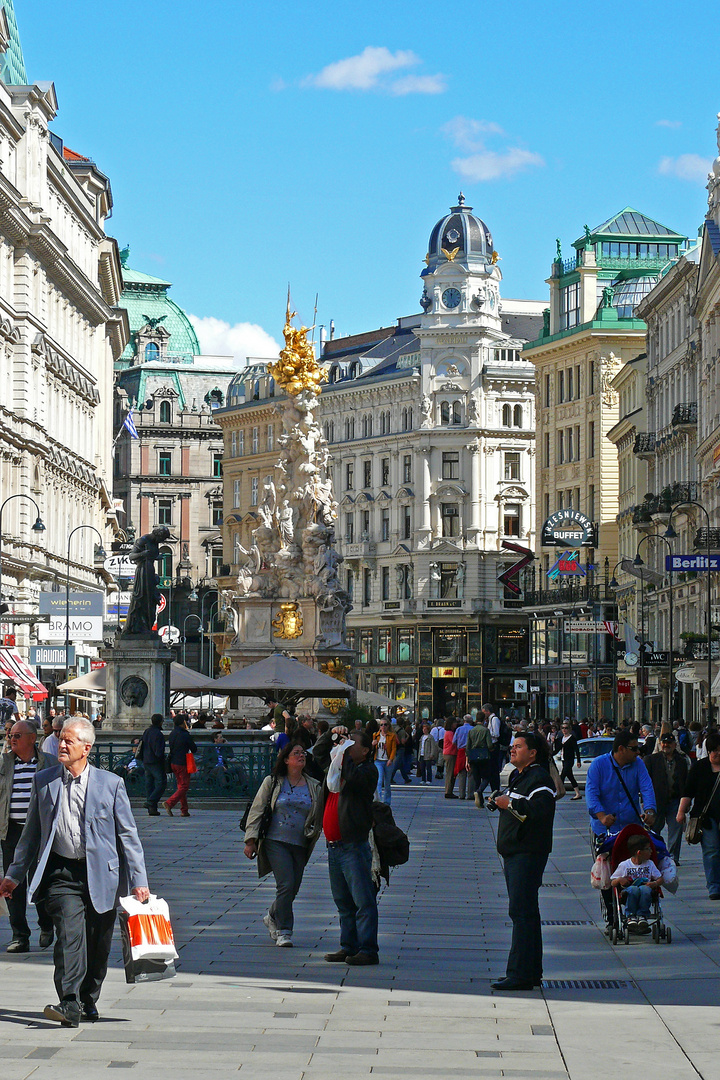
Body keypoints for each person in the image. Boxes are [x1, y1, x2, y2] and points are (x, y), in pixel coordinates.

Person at [0, 718, 149, 1027]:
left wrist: (139, 881)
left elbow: (128, 836)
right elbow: (31, 834)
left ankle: (88, 998)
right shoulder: (45, 781)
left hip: (101, 875)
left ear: (87, 748)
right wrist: (14, 875)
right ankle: (69, 1001)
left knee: (98, 944)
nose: (62, 745)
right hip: (61, 873)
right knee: (69, 936)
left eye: (69, 741)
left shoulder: (111, 784)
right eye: (60, 740)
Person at [490, 732, 555, 991]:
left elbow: (540, 812)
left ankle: (519, 973)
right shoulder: (522, 776)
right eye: (512, 746)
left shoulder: (539, 778)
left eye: (518, 746)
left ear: (533, 752)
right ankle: (530, 971)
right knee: (526, 912)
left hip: (526, 853)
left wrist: (509, 805)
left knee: (521, 912)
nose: (512, 750)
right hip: (517, 852)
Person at [243, 742, 322, 947]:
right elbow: (257, 809)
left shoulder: (313, 785)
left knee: (292, 888)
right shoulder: (273, 782)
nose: (301, 756)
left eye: (303, 753)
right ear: (286, 759)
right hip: (275, 840)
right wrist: (250, 841)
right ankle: (284, 931)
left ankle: (271, 914)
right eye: (296, 753)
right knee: (285, 884)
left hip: (301, 843)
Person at [315, 728, 380, 966]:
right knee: (343, 901)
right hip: (334, 846)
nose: (345, 747)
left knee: (363, 900)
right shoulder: (335, 768)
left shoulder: (367, 771)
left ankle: (368, 949)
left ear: (365, 750)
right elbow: (319, 754)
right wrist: (330, 735)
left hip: (353, 845)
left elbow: (351, 778)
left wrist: (343, 753)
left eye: (352, 745)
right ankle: (348, 946)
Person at [585, 728, 657, 928]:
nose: (637, 753)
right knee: (607, 872)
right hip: (604, 828)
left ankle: (637, 907)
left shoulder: (638, 765)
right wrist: (601, 815)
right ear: (621, 749)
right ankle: (611, 913)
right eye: (634, 749)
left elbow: (647, 788)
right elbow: (591, 794)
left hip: (630, 826)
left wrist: (650, 811)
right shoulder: (599, 765)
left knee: (636, 865)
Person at [0, 720, 58, 953]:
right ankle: (19, 935)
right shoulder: (4, 764)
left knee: (41, 882)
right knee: (12, 885)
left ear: (33, 739)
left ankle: (46, 924)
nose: (11, 739)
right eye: (10, 735)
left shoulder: (49, 763)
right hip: (12, 831)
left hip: (40, 832)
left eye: (17, 735)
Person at [677, 730, 720, 899]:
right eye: (714, 749)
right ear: (708, 751)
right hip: (706, 818)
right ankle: (714, 886)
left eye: (719, 749)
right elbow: (688, 792)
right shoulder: (699, 768)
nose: (717, 753)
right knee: (712, 851)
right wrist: (681, 813)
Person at [645, 732, 688, 864]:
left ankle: (673, 857)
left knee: (676, 830)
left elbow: (685, 783)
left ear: (674, 745)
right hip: (657, 801)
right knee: (654, 830)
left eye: (669, 743)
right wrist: (646, 803)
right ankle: (653, 854)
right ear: (660, 744)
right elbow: (645, 782)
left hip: (675, 801)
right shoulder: (651, 759)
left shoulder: (682, 761)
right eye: (664, 743)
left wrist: (686, 804)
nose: (666, 745)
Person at [610, 833, 663, 933]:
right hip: (629, 890)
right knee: (634, 889)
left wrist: (655, 883)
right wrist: (620, 879)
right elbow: (613, 882)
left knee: (645, 889)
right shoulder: (625, 865)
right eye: (648, 849)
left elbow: (660, 878)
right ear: (639, 852)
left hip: (645, 890)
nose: (651, 851)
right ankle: (631, 915)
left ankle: (642, 915)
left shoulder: (650, 864)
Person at [163, 714, 197, 818]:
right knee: (184, 786)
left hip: (173, 762)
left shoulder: (172, 733)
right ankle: (169, 803)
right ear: (183, 723)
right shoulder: (185, 734)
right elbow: (194, 748)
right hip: (183, 762)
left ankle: (184, 810)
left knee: (181, 786)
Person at [139, 713, 166, 816]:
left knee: (149, 784)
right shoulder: (158, 734)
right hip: (155, 761)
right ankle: (150, 801)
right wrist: (161, 758)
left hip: (146, 760)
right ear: (160, 722)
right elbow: (159, 750)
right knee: (161, 783)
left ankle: (152, 809)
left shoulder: (147, 731)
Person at [466, 715, 493, 808]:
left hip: (473, 756)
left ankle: (480, 801)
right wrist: (492, 749)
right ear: (484, 720)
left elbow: (468, 746)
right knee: (486, 777)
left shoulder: (471, 731)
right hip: (483, 755)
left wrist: (467, 759)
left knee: (476, 779)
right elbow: (489, 744)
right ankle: (479, 790)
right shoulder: (485, 730)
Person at [371, 719, 397, 805]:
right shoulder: (376, 735)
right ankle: (378, 800)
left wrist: (390, 759)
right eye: (381, 725)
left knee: (387, 783)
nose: (383, 726)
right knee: (379, 780)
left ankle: (387, 802)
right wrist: (372, 744)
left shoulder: (392, 736)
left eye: (385, 725)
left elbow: (394, 748)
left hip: (387, 761)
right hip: (378, 760)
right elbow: (371, 749)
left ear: (388, 726)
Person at [555, 721, 582, 800]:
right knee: (570, 776)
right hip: (563, 759)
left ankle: (558, 792)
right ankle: (578, 793)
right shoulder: (561, 738)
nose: (564, 730)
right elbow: (557, 749)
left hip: (569, 760)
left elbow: (576, 750)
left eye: (566, 728)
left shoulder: (572, 738)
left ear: (569, 729)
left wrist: (578, 761)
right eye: (562, 728)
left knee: (563, 775)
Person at [481, 703, 503, 793]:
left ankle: (495, 790)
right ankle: (493, 790)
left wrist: (487, 734)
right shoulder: (490, 720)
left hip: (494, 746)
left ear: (487, 711)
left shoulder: (494, 719)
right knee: (492, 769)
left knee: (494, 769)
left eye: (484, 712)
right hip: (491, 746)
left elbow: (496, 734)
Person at [452, 715, 474, 800]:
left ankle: (461, 794)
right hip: (471, 751)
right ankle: (470, 794)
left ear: (463, 721)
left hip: (461, 751)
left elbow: (454, 742)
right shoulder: (473, 729)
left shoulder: (459, 729)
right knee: (471, 774)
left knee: (461, 773)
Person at [442, 720, 458, 799]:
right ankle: (448, 791)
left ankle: (449, 790)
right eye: (454, 722)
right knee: (450, 773)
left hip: (449, 753)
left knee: (451, 772)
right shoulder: (449, 733)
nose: (456, 724)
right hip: (450, 753)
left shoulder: (449, 732)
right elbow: (454, 742)